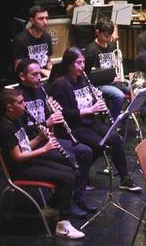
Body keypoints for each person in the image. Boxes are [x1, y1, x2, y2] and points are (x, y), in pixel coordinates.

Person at [0, 89, 85, 239]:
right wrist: (44, 149)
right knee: (66, 178)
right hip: (20, 170)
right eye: (20, 102)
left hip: (29, 163)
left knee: (70, 171)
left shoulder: (15, 121)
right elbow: (17, 157)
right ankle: (63, 225)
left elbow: (24, 146)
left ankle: (52, 207)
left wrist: (40, 137)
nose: (24, 106)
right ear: (9, 107)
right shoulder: (5, 129)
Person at [49, 47, 140, 192]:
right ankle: (81, 174)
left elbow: (88, 100)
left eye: (83, 62)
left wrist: (97, 98)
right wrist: (90, 110)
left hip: (90, 122)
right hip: (74, 126)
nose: (82, 66)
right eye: (78, 63)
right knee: (98, 144)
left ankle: (125, 179)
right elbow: (64, 113)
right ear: (69, 64)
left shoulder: (83, 78)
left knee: (115, 138)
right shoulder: (60, 84)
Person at [15, 58, 94, 214]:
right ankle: (63, 203)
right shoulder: (18, 99)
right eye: (34, 74)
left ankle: (77, 196)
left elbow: (49, 123)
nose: (39, 77)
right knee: (71, 162)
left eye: (40, 73)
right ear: (22, 76)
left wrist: (54, 112)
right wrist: (47, 122)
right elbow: (21, 131)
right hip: (33, 145)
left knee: (86, 152)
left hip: (47, 139)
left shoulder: (41, 90)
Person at [84, 17, 128, 121]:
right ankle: (112, 122)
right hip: (100, 85)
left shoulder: (112, 46)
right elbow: (90, 75)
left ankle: (126, 116)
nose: (108, 39)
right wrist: (111, 78)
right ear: (97, 32)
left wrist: (117, 70)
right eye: (105, 36)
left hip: (113, 81)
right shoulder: (91, 49)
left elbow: (116, 65)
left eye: (110, 36)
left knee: (134, 87)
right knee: (119, 96)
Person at [12, 5, 54, 77]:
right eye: (41, 19)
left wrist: (54, 72)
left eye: (47, 18)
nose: (45, 22)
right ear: (32, 21)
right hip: (29, 79)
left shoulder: (47, 37)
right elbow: (18, 69)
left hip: (44, 77)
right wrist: (40, 70)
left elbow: (48, 62)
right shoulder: (20, 40)